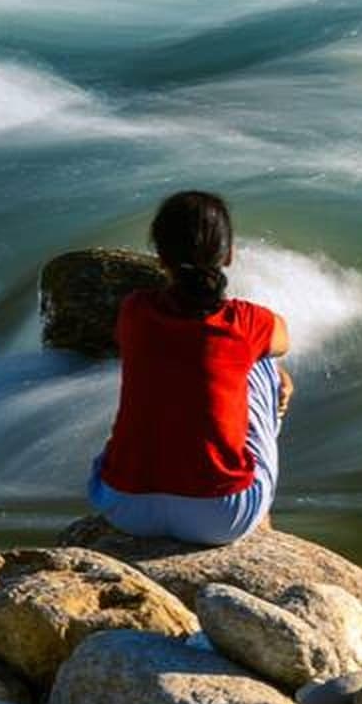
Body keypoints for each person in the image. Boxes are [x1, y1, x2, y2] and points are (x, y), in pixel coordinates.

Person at [87, 189, 292, 545]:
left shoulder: (133, 311)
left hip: (126, 507)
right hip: (220, 515)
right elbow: (283, 340)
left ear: (160, 257)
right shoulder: (246, 322)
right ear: (228, 255)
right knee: (265, 368)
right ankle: (261, 521)